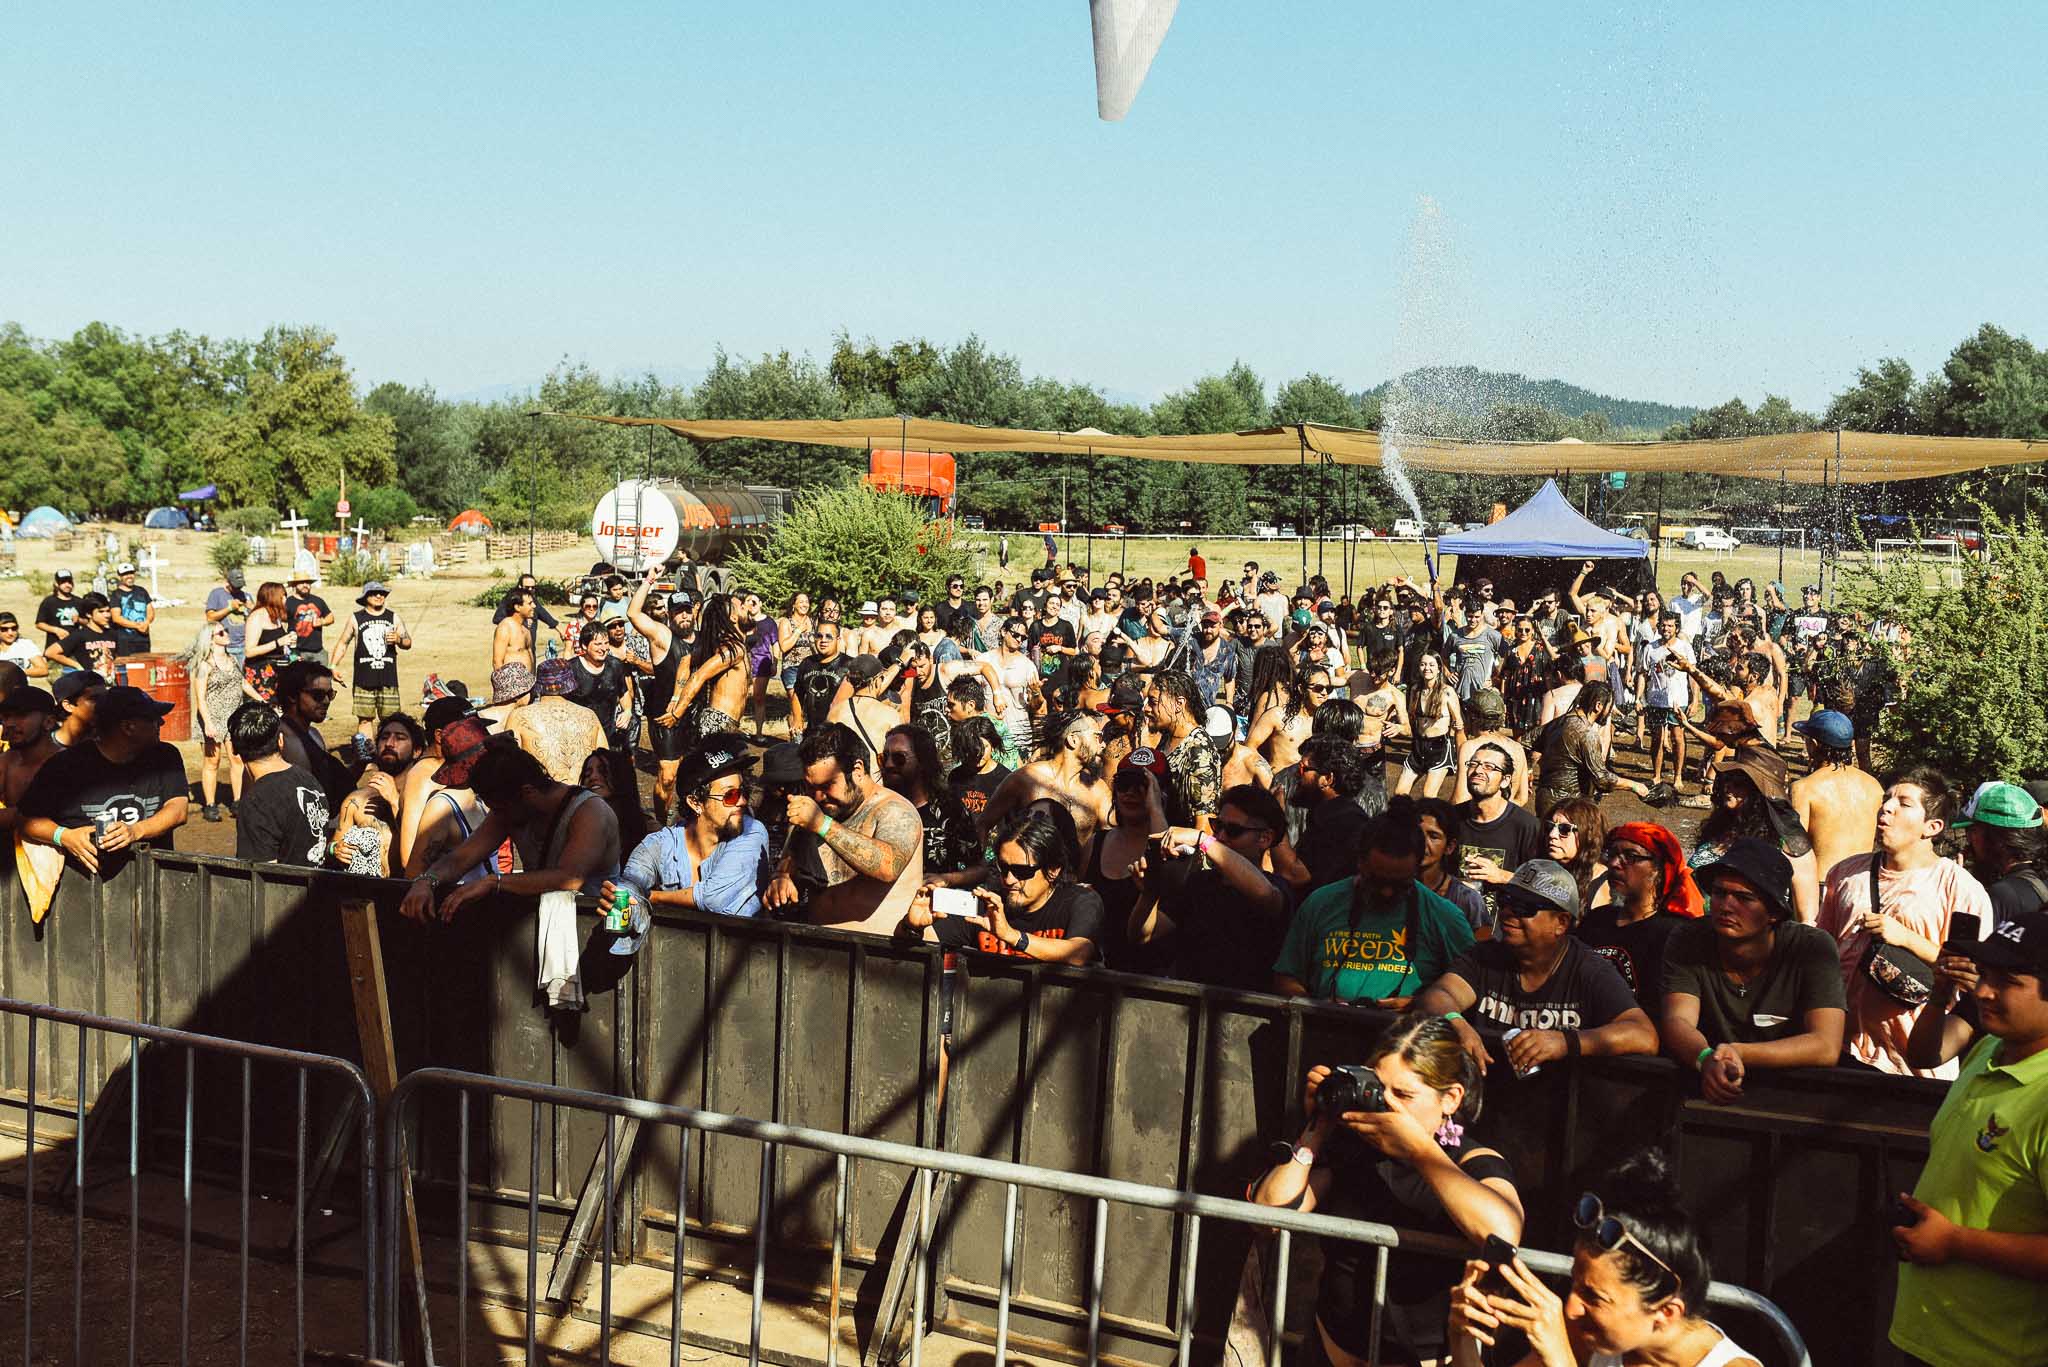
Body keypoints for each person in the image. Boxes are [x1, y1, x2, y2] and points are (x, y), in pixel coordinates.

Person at [1253, 1015, 1524, 1367]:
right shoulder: (1354, 1146)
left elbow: (1503, 1232)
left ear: (1451, 1099)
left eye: (1405, 1094)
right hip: (1329, 1350)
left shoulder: (1471, 1159)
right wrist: (1318, 1127)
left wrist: (1419, 1151)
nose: (1387, 1105)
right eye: (1380, 1090)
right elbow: (1268, 1215)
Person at [1888, 910, 2048, 1367]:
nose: (1983, 991)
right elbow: (1924, 1052)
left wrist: (1956, 1242)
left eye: (2008, 981)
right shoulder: (1988, 1052)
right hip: (1929, 1339)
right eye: (1985, 975)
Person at [1448, 1149, 1764, 1367]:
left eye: (1593, 1297)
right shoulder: (1589, 1336)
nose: (1570, 1309)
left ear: (1666, 1311)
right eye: (1574, 1284)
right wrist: (1462, 1336)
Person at [1819, 769, 1993, 1077]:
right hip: (1842, 1050)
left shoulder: (1960, 888)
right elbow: (1820, 955)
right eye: (1887, 799)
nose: (1886, 808)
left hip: (1916, 1065)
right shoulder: (1845, 874)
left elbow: (1978, 978)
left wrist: (1906, 938)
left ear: (1932, 827)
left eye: (1904, 803)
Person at [1417, 860, 1659, 1072]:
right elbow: (1440, 994)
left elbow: (1643, 1034)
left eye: (1525, 907)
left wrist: (1566, 1042)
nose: (1508, 912)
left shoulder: (1589, 969)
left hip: (1559, 1112)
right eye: (1505, 900)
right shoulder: (1485, 956)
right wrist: (1454, 1021)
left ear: (1561, 923)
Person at [1657, 837, 1847, 1104]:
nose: (1726, 905)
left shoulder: (1811, 947)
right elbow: (1677, 1020)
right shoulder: (1688, 938)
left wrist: (1738, 1052)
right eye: (1720, 893)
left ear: (1774, 913)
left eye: (1744, 898)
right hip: (1707, 1085)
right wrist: (1704, 1058)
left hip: (1793, 1095)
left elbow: (1826, 1046)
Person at [1274, 800, 1477, 1005]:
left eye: (1400, 884)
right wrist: (1317, 1006)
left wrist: (1419, 1004)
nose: (1387, 892)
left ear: (1416, 867)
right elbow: (1285, 978)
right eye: (1377, 881)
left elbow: (1474, 986)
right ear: (1360, 862)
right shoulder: (1320, 903)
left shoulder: (1444, 917)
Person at [398, 739, 622, 924]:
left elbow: (569, 878)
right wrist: (427, 880)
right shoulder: (510, 809)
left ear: (526, 792)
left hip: (592, 927)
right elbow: (460, 859)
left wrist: (493, 882)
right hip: (540, 924)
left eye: (500, 808)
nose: (497, 815)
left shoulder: (589, 812)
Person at [765, 722, 923, 935]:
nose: (818, 796)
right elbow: (788, 863)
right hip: (818, 950)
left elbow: (888, 866)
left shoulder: (895, 811)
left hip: (885, 955)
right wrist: (781, 879)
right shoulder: (818, 810)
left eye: (827, 785)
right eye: (811, 787)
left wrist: (821, 824)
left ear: (857, 770)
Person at [897, 808, 1106, 964]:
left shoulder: (1080, 901)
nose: (1009, 879)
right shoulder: (988, 903)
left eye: (1022, 871)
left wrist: (1010, 935)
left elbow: (1079, 952)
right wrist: (912, 926)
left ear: (1053, 870)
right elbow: (927, 944)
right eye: (1004, 868)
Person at [20, 686, 190, 876]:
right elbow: (27, 820)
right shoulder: (66, 766)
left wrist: (136, 830)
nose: (161, 722)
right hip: (85, 888)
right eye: (152, 719)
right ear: (128, 727)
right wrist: (64, 836)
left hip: (154, 882)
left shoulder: (165, 756)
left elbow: (178, 809)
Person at [606, 733, 770, 919]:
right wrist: (619, 899)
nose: (742, 801)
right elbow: (629, 885)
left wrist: (653, 896)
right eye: (730, 796)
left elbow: (713, 899)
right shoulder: (660, 844)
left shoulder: (751, 832)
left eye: (744, 792)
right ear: (695, 803)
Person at [1576, 822, 1701, 1015]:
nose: (1614, 864)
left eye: (1630, 857)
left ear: (1658, 869)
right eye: (1612, 854)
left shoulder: (1674, 934)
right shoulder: (1596, 920)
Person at [981, 710, 1113, 847]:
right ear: (1073, 740)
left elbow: (1113, 835)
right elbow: (983, 824)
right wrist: (980, 864)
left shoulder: (1098, 790)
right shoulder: (1025, 779)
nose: (1102, 745)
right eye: (1097, 737)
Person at [1788, 709, 1885, 883]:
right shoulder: (1874, 786)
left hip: (1822, 887)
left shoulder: (1804, 788)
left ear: (1815, 744)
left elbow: (1795, 849)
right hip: (1862, 886)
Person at [229, 701, 330, 866]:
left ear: (233, 748)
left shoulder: (257, 803)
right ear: (281, 741)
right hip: (314, 886)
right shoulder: (309, 780)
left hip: (285, 889)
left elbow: (261, 877)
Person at [1531, 683, 1651, 815]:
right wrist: (1635, 786)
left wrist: (1527, 771)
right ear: (1598, 706)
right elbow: (1602, 779)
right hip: (1570, 808)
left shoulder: (1557, 723)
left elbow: (1525, 743)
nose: (1610, 711)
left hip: (1544, 801)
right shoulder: (1587, 734)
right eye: (1609, 706)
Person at [881, 723, 980, 877]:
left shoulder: (950, 810)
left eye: (899, 758)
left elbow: (979, 869)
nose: (888, 764)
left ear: (922, 762)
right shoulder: (877, 807)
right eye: (884, 757)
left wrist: (946, 880)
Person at [187, 621, 259, 821]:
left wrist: (261, 699)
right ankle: (210, 805)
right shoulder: (203, 665)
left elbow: (242, 682)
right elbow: (200, 698)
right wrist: (208, 723)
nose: (226, 634)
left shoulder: (233, 659)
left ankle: (237, 802)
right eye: (221, 632)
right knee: (212, 761)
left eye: (225, 630)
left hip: (233, 717)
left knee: (237, 759)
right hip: (213, 718)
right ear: (210, 640)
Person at [1289, 737, 1376, 895]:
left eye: (1303, 769)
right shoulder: (1327, 812)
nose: (1296, 775)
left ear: (1327, 779)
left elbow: (1295, 875)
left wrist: (1275, 823)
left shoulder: (1342, 822)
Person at [662, 593, 751, 747]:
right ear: (733, 618)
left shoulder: (723, 645)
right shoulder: (732, 649)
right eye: (742, 607)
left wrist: (677, 698)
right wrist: (677, 712)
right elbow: (698, 676)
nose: (747, 608)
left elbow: (685, 661)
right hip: (718, 723)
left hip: (727, 724)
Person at [331, 581, 414, 745]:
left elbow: (408, 642)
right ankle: (367, 758)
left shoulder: (393, 617)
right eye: (374, 593)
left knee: (391, 721)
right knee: (364, 720)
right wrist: (333, 666)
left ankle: (388, 752)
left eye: (382, 593)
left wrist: (398, 639)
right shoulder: (356, 618)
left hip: (388, 679)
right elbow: (343, 642)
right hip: (363, 679)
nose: (379, 596)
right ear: (365, 597)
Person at [1454, 741, 1542, 894]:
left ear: (1505, 780)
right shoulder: (1450, 819)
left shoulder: (1526, 826)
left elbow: (1544, 883)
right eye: (1474, 764)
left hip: (1504, 915)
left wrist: (1503, 876)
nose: (1478, 770)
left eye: (1489, 767)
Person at [1953, 782, 2048, 921]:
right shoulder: (2040, 879)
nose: (1969, 840)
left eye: (1973, 830)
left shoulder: (2002, 895)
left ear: (1998, 839)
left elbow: (1966, 942)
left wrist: (1960, 891)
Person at [506, 658, 609, 786]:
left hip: (543, 798)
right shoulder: (589, 715)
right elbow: (606, 761)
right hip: (585, 797)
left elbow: (508, 765)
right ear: (570, 685)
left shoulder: (519, 716)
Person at [1147, 669, 1221, 831]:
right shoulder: (1168, 737)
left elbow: (1205, 826)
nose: (1146, 708)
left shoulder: (1198, 749)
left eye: (1153, 702)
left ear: (1179, 704)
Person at [1414, 796, 1490, 933]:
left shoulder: (1468, 901)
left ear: (1449, 846)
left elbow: (1484, 949)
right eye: (1416, 833)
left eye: (1433, 836)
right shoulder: (1389, 890)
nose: (1422, 842)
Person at [1639, 612, 1695, 790]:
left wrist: (1695, 699)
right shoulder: (1650, 648)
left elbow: (1693, 675)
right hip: (1656, 699)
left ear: (1676, 628)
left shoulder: (1684, 647)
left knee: (1678, 737)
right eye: (1663, 625)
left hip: (1678, 700)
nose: (1666, 628)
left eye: (1670, 625)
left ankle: (1678, 776)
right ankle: (1656, 775)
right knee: (1656, 737)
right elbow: (1642, 674)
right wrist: (1639, 698)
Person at [1397, 652, 1463, 799]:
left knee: (1428, 795)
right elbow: (1410, 719)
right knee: (1399, 794)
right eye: (1423, 664)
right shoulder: (1415, 690)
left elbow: (1459, 725)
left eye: (1432, 665)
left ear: (1439, 668)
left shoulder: (1447, 692)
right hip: (1419, 746)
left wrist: (1461, 757)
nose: (1427, 668)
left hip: (1440, 747)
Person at [0, 689, 62, 840]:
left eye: (21, 715)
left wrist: (15, 817)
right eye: (6, 717)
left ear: (48, 722)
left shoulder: (68, 762)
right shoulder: (7, 761)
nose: (9, 724)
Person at [565, 621, 633, 750]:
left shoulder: (615, 665)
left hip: (608, 733)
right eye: (597, 644)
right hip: (578, 735)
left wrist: (628, 711)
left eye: (606, 643)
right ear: (584, 646)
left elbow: (623, 692)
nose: (603, 648)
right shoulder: (570, 669)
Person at [1544, 797, 1612, 915]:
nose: (1552, 834)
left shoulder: (1604, 888)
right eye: (1550, 826)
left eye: (1564, 829)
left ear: (1588, 835)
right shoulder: (1544, 867)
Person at [47, 592, 118, 680]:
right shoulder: (80, 635)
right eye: (101, 612)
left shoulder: (112, 634)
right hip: (89, 686)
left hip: (110, 683)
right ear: (89, 614)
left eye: (108, 611)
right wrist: (77, 666)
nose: (107, 615)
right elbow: (50, 652)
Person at [241, 580, 292, 701]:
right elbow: (249, 651)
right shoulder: (257, 617)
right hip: (260, 674)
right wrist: (278, 643)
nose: (285, 599)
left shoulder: (275, 616)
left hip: (277, 671)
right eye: (282, 596)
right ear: (273, 597)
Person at [285, 573, 335, 666]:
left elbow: (331, 617)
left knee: (322, 680)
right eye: (301, 583)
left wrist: (322, 622)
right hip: (297, 652)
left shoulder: (318, 601)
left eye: (308, 583)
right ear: (295, 585)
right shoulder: (288, 602)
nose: (305, 585)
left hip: (318, 652)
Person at [203, 566, 248, 665]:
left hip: (245, 647)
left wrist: (251, 608)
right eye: (235, 586)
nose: (238, 589)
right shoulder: (216, 594)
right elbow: (210, 617)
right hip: (227, 647)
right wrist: (230, 608)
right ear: (227, 582)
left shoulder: (246, 596)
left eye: (240, 586)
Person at [109, 561, 155, 656]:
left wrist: (146, 623)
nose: (129, 576)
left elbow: (150, 610)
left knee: (144, 665)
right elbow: (116, 618)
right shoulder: (116, 595)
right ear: (120, 576)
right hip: (125, 640)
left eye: (131, 573)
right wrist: (137, 626)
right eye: (125, 574)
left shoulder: (142, 591)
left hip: (143, 638)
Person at [493, 586, 540, 674]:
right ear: (518, 607)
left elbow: (530, 653)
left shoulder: (526, 628)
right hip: (510, 685)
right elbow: (497, 661)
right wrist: (504, 685)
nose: (534, 606)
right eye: (530, 603)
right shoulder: (506, 627)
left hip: (528, 683)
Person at [35, 568, 81, 653]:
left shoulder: (79, 601)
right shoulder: (49, 602)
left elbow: (89, 622)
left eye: (69, 582)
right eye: (63, 582)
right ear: (56, 584)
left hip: (75, 648)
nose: (67, 585)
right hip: (53, 648)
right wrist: (56, 630)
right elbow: (39, 624)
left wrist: (79, 620)